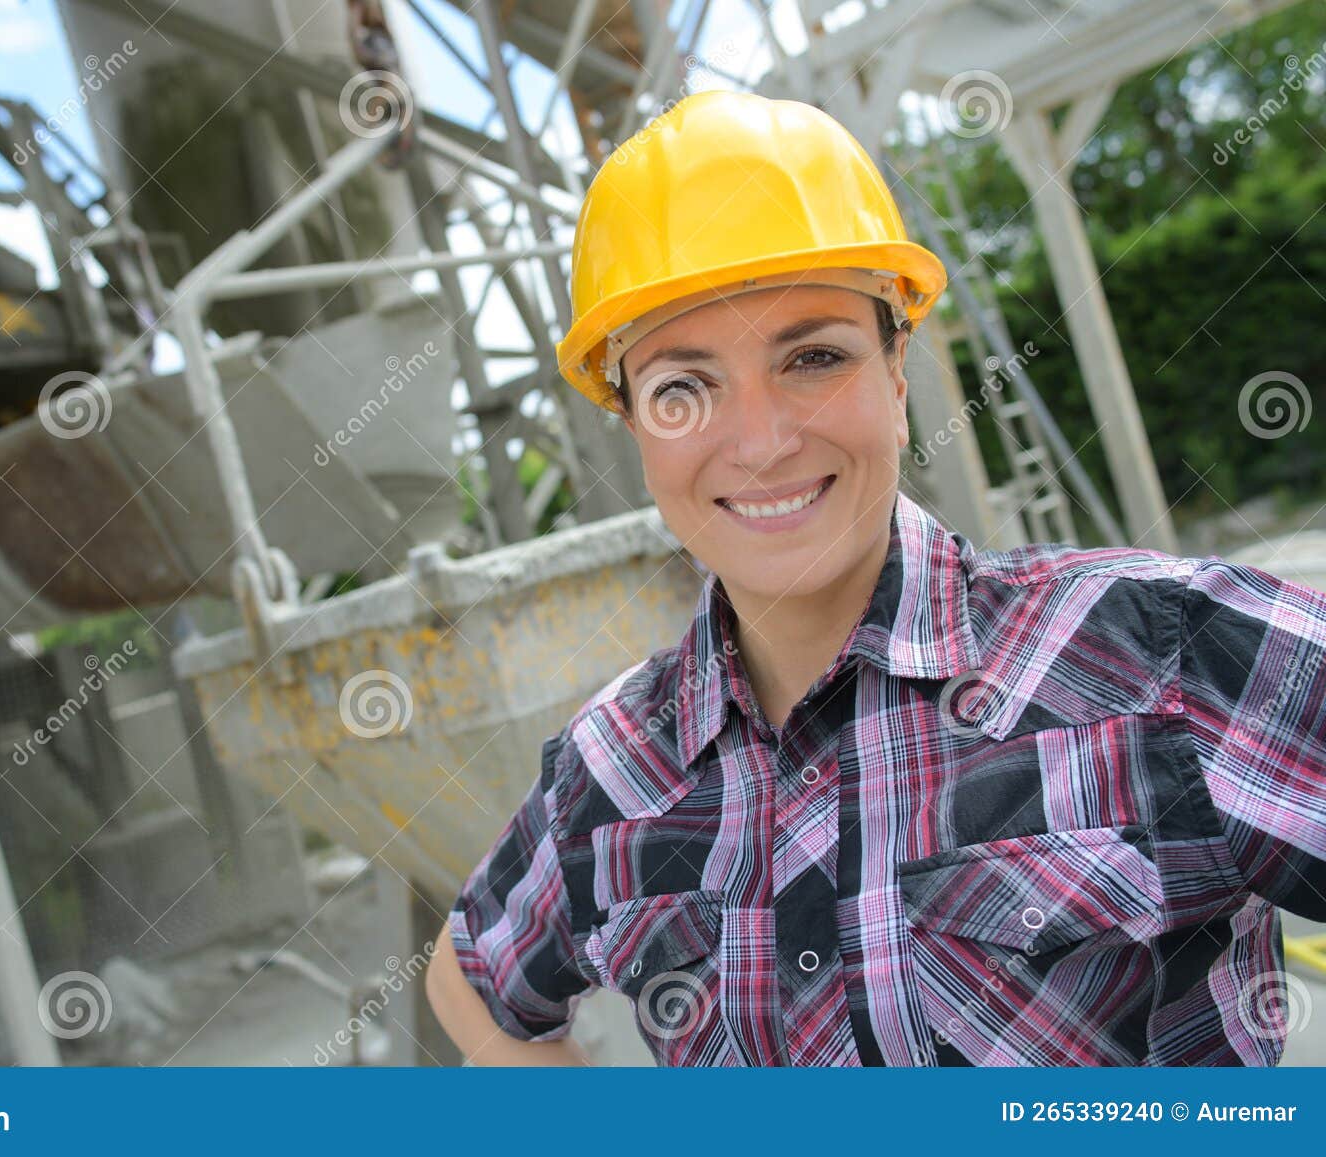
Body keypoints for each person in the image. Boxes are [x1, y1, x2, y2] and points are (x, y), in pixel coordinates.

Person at [424, 90, 1326, 1066]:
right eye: (682, 386)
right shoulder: (610, 766)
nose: (762, 441)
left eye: (813, 356)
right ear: (636, 425)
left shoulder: (1161, 652)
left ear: (897, 379)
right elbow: (464, 974)